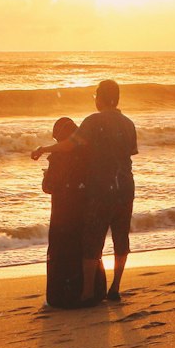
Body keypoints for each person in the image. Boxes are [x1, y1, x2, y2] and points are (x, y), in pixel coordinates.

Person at [31, 79, 137, 304]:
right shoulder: (128, 123)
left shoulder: (94, 121)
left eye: (96, 95)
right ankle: (115, 288)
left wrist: (44, 149)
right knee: (121, 238)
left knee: (92, 241)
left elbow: (70, 145)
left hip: (101, 189)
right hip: (126, 188)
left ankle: (88, 292)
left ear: (100, 97)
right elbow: (128, 154)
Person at [39, 116, 107, 308]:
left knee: (62, 249)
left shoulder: (57, 157)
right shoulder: (88, 154)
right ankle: (93, 291)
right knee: (85, 248)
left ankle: (62, 295)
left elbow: (49, 186)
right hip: (84, 209)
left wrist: (46, 176)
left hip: (63, 211)